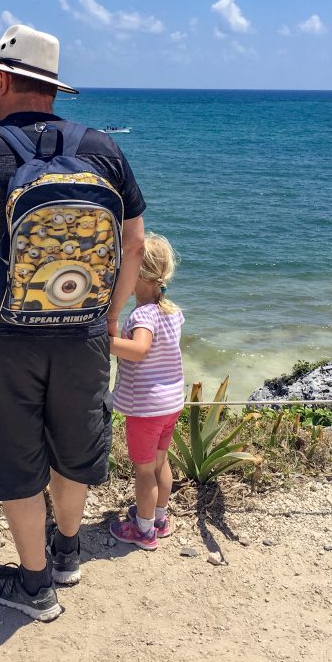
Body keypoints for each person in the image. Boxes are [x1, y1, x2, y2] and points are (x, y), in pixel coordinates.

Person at [0, 24, 146, 621]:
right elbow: (134, 242)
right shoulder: (103, 149)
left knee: (15, 454)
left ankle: (34, 583)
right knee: (74, 445)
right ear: (51, 88)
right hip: (86, 332)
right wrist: (109, 313)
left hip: (3, 333)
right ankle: (67, 554)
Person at [107, 232, 185, 550]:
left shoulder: (143, 315)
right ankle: (160, 519)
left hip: (146, 408)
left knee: (143, 472)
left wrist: (103, 342)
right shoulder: (172, 311)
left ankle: (143, 530)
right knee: (159, 463)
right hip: (170, 403)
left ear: (138, 273)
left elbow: (139, 350)